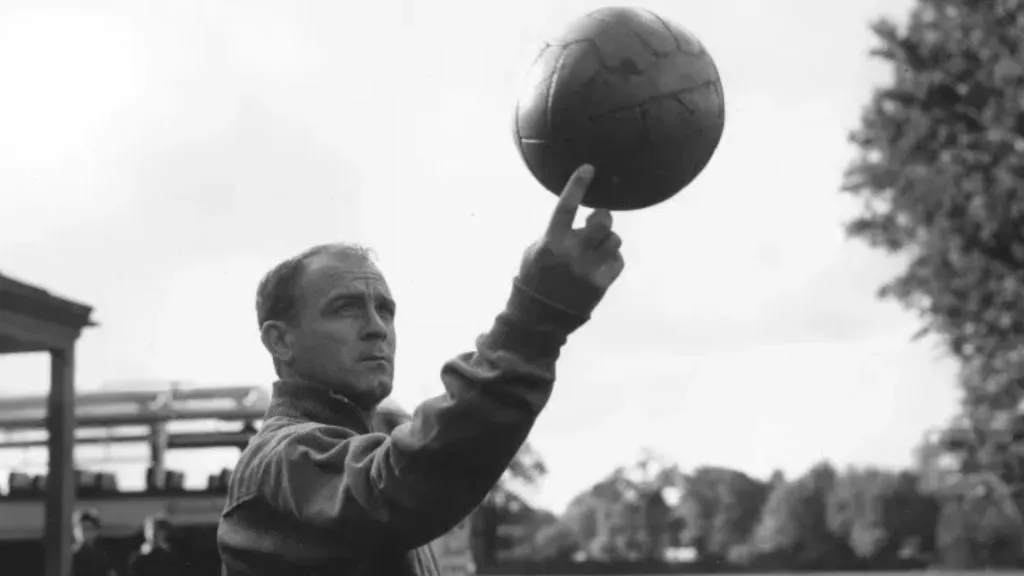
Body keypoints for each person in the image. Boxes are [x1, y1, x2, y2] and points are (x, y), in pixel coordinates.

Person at [217, 164, 625, 575]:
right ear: (281, 341)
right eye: (345, 308)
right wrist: (536, 315)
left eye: (385, 310)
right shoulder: (278, 461)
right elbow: (397, 485)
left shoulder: (355, 447)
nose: (377, 327)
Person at [71, 508, 116, 576]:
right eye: (80, 528)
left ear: (96, 530)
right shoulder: (70, 554)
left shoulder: (104, 552)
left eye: (88, 528)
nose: (83, 532)